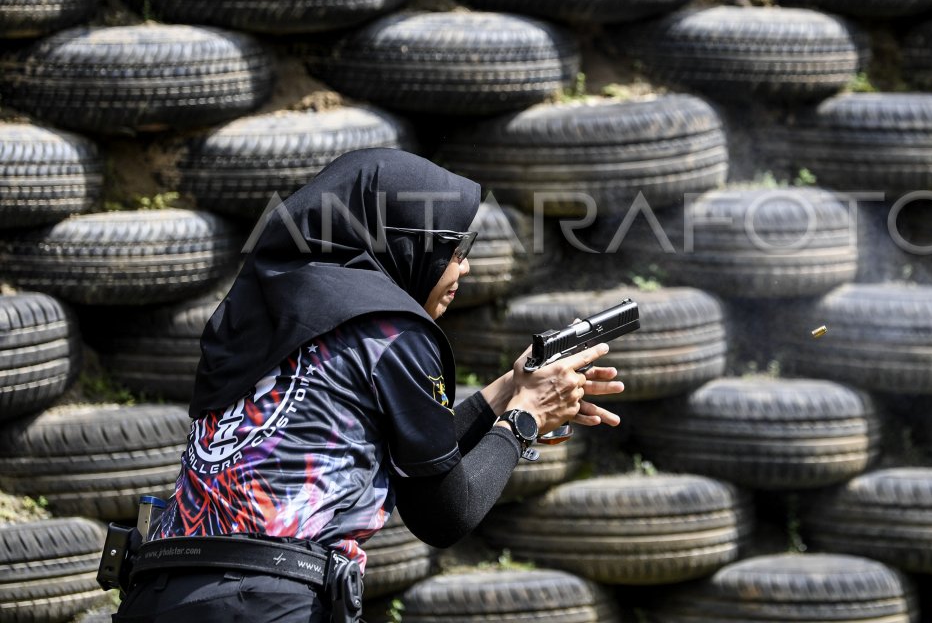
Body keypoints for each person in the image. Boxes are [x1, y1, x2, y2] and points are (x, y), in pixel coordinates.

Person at [111, 148, 624, 622]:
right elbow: (444, 513)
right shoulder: (393, 330)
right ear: (405, 239)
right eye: (457, 247)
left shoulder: (261, 309)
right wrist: (525, 419)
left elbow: (415, 453)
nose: (464, 266)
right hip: (264, 603)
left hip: (155, 592)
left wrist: (509, 389)